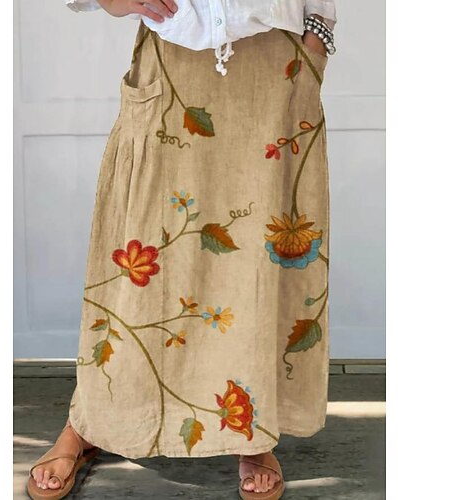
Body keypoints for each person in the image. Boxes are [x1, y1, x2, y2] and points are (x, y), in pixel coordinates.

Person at [26, 1, 336, 499]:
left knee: (256, 263)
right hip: (172, 58)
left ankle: (252, 432)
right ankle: (90, 421)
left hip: (274, 69)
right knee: (136, 260)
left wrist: (318, 35)